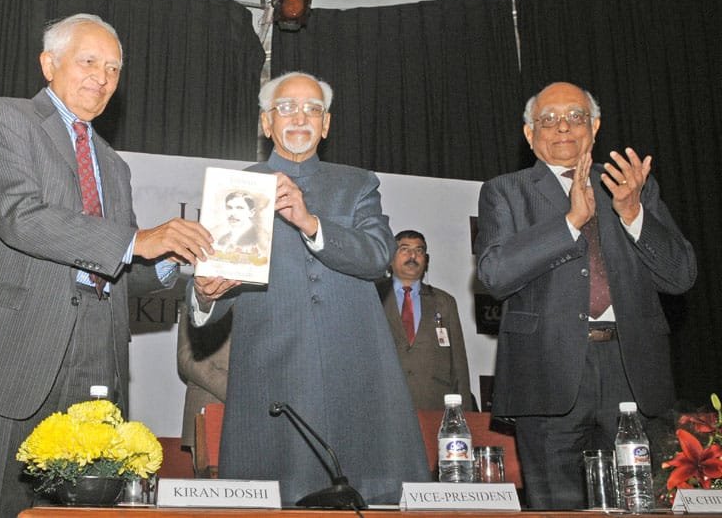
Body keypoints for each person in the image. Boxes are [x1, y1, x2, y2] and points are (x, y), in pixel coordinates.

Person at [0, 14, 213, 517]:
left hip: (95, 368)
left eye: (114, 69)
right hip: (6, 363)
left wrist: (172, 260)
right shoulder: (3, 117)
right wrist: (137, 239)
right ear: (49, 64)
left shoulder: (114, 165)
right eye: (89, 61)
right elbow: (18, 216)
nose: (102, 77)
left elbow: (112, 269)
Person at [190, 71, 429, 506]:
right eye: (286, 108)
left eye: (312, 109)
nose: (300, 117)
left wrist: (311, 223)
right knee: (272, 505)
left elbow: (378, 255)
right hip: (271, 376)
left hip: (356, 375)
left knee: (370, 500)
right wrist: (206, 295)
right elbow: (220, 287)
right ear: (266, 123)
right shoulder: (236, 188)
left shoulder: (358, 184)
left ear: (326, 124)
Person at [475, 81, 696, 509]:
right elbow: (495, 275)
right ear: (529, 134)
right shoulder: (505, 190)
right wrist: (571, 222)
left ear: (594, 128)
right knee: (557, 509)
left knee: (638, 506)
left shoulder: (629, 187)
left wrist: (632, 213)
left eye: (575, 117)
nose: (563, 127)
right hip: (546, 376)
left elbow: (680, 276)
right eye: (549, 119)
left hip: (631, 372)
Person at [376, 229, 473, 412]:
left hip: (433, 404)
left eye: (419, 251)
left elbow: (459, 364)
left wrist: (465, 414)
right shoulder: (373, 296)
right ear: (390, 257)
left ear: (426, 260)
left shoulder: (444, 302)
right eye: (404, 249)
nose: (412, 256)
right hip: (383, 402)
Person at [176, 301, 230, 463]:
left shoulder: (266, 297)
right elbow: (187, 358)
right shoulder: (198, 294)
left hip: (259, 418)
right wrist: (235, 389)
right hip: (208, 409)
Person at [214, 191, 269, 261]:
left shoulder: (261, 238)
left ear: (251, 212)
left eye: (239, 208)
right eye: (229, 208)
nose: (232, 213)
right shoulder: (222, 239)